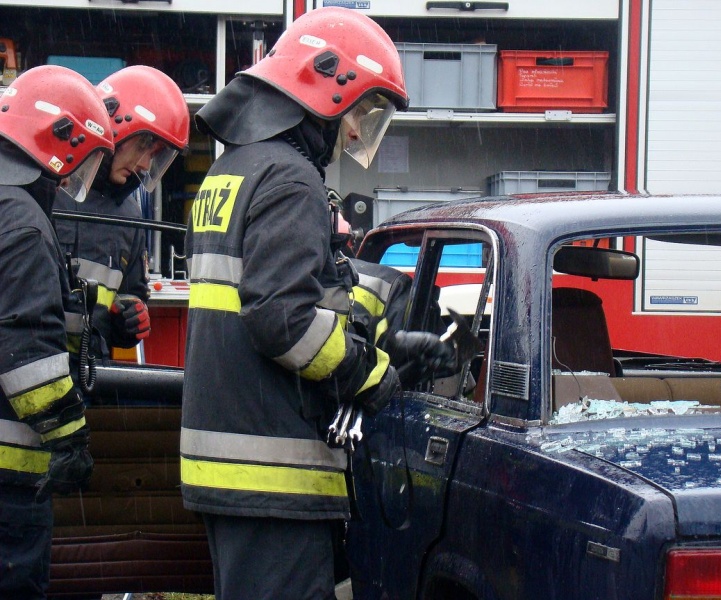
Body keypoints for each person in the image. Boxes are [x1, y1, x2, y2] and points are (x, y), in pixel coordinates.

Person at [179, 7, 455, 598]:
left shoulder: (232, 171)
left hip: (231, 463)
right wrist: (368, 373)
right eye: (360, 110)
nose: (357, 132)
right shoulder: (291, 177)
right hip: (273, 474)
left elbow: (284, 300)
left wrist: (379, 339)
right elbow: (283, 320)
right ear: (322, 85)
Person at [0, 64, 114, 598]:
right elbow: (28, 356)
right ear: (59, 143)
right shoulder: (22, 222)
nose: (73, 180)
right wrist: (70, 438)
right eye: (83, 160)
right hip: (7, 482)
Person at [53, 65, 190, 360]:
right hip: (34, 367)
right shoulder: (51, 188)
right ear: (114, 124)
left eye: (154, 156)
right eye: (143, 146)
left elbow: (129, 293)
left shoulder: (130, 212)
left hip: (90, 377)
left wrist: (127, 320)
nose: (144, 165)